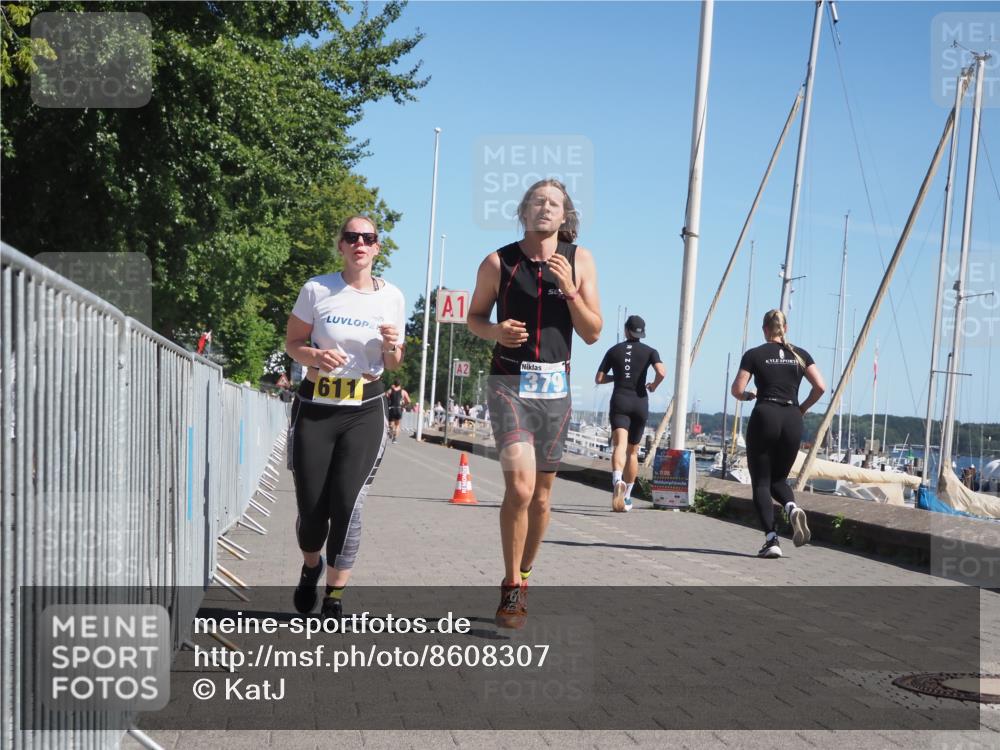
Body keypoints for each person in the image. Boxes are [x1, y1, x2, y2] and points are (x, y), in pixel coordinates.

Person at [468, 178, 602, 628]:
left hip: (555, 391)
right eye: (537, 202)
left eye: (554, 203)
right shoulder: (498, 262)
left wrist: (570, 291)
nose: (545, 208)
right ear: (524, 212)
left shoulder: (579, 260)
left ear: (566, 216)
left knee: (542, 499)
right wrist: (495, 332)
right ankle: (509, 588)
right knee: (520, 489)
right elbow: (474, 318)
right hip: (508, 382)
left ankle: (525, 575)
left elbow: (593, 332)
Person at [285, 216, 405, 619]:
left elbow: (393, 361)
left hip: (364, 410)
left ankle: (334, 598)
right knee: (312, 507)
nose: (359, 243)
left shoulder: (392, 297)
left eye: (368, 238)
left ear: (377, 248)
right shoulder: (317, 289)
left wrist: (391, 348)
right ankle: (310, 566)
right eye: (352, 237)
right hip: (316, 408)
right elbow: (293, 344)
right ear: (340, 245)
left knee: (348, 503)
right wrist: (315, 357)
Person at [730, 309, 825, 559]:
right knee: (779, 480)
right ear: (786, 328)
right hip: (792, 417)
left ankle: (772, 540)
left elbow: (737, 389)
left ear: (764, 329)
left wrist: (748, 395)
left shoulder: (754, 354)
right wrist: (801, 408)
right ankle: (791, 507)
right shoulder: (801, 355)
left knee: (762, 481)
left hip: (766, 413)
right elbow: (820, 386)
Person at [595, 315, 666, 512]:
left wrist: (616, 377)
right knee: (632, 452)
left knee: (619, 445)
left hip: (620, 400)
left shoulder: (613, 350)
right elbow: (662, 372)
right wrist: (653, 385)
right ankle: (626, 497)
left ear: (626, 330)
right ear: (641, 333)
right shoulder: (650, 351)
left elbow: (599, 378)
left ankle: (617, 479)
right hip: (640, 402)